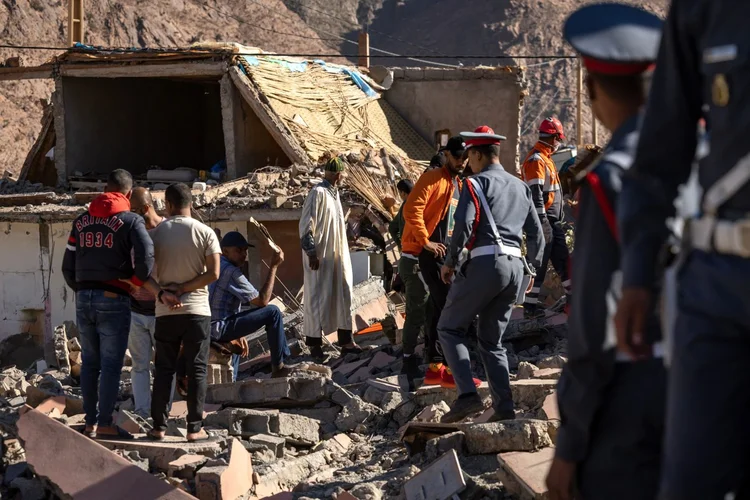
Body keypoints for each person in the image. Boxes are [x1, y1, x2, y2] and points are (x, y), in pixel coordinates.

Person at [614, 1, 750, 498]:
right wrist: (637, 278)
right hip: (717, 286)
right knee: (691, 481)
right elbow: (658, 157)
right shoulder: (705, 9)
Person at [544, 5, 666, 500]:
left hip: (635, 403)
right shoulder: (706, 159)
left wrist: (570, 446)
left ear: (591, 87)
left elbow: (593, 329)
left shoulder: (610, 181)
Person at [437, 126, 544, 423]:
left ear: (476, 154)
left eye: (469, 155)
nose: (467, 162)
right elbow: (538, 236)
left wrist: (449, 262)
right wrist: (532, 268)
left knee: (449, 328)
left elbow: (464, 227)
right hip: (515, 268)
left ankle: (468, 396)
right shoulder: (520, 186)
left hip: (485, 263)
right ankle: (504, 408)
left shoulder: (473, 184)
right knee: (491, 341)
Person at [62, 169, 154, 440]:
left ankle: (89, 423)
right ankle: (105, 424)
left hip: (84, 299)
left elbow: (68, 267)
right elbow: (147, 256)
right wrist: (136, 281)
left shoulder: (80, 222)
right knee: (112, 365)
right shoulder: (131, 221)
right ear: (127, 193)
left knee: (90, 363)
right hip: (114, 298)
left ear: (105, 188)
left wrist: (83, 290)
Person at [147, 183, 221, 443]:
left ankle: (158, 426)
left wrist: (165, 293)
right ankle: (194, 428)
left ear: (167, 204)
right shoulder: (206, 232)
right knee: (197, 369)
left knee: (164, 369)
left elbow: (142, 274)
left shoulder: (155, 234)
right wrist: (185, 288)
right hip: (197, 311)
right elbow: (213, 273)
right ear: (192, 204)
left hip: (165, 312)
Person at [402, 136, 465, 386]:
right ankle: (444, 368)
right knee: (444, 307)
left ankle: (435, 367)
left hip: (446, 256)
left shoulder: (457, 183)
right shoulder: (432, 179)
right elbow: (411, 210)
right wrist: (425, 241)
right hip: (427, 255)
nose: (461, 161)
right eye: (457, 157)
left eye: (464, 158)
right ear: (447, 154)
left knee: (439, 309)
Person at [299, 157, 362, 360]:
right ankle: (315, 345)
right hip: (320, 257)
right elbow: (306, 224)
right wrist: (311, 253)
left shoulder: (334, 195)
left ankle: (346, 340)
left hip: (337, 257)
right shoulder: (317, 193)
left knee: (343, 293)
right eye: (342, 175)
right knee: (317, 298)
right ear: (338, 175)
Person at [208, 231, 290, 379]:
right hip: (219, 327)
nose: (243, 254)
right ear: (225, 251)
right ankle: (279, 366)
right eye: (238, 250)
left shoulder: (216, 265)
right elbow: (262, 300)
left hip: (212, 326)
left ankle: (232, 380)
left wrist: (239, 333)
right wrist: (274, 266)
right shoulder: (231, 272)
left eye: (245, 250)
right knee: (273, 312)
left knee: (239, 342)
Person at [127, 187, 176, 419]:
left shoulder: (167, 231)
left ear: (147, 208)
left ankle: (164, 410)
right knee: (139, 365)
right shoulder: (132, 233)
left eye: (134, 211)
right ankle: (142, 412)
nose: (131, 216)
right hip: (136, 310)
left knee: (166, 364)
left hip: (162, 310)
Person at [521, 117, 571, 318]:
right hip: (545, 221)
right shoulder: (536, 160)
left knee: (563, 261)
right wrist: (542, 223)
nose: (559, 142)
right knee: (539, 265)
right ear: (554, 137)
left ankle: (573, 300)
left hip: (553, 222)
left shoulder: (545, 158)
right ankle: (530, 309)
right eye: (558, 138)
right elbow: (536, 194)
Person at [388, 179, 426, 374]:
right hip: (414, 261)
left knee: (418, 309)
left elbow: (391, 228)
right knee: (417, 310)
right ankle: (409, 356)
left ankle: (416, 351)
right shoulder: (419, 204)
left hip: (409, 258)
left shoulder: (407, 205)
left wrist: (401, 244)